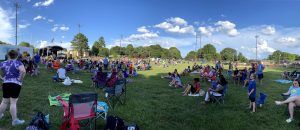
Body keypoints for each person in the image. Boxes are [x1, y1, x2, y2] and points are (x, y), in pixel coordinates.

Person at [0, 50, 26, 126]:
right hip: (15, 84)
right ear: (17, 56)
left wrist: (2, 78)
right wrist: (20, 79)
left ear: (8, 55)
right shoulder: (18, 62)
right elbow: (23, 71)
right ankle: (14, 121)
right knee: (13, 102)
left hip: (6, 83)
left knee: (4, 101)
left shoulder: (3, 63)